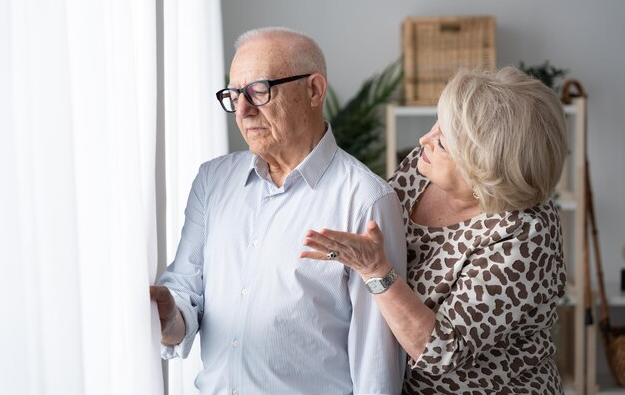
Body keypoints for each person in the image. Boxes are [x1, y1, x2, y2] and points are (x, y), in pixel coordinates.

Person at [150, 27, 407, 395]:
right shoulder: (212, 181)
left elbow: (376, 361)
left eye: (259, 90)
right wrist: (167, 317)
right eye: (234, 94)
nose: (243, 110)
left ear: (314, 90)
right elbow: (186, 294)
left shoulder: (365, 200)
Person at [301, 66, 568, 394]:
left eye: (442, 142)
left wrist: (376, 270)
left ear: (483, 169)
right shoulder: (422, 167)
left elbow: (441, 350)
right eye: (437, 125)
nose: (423, 140)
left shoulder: (524, 237)